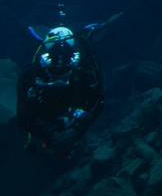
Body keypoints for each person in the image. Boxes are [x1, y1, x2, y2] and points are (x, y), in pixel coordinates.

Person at [16, 17, 115, 156]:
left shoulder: (83, 72)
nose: (60, 61)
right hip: (49, 127)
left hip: (66, 125)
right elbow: (23, 113)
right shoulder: (32, 75)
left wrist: (76, 129)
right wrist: (51, 133)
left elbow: (98, 99)